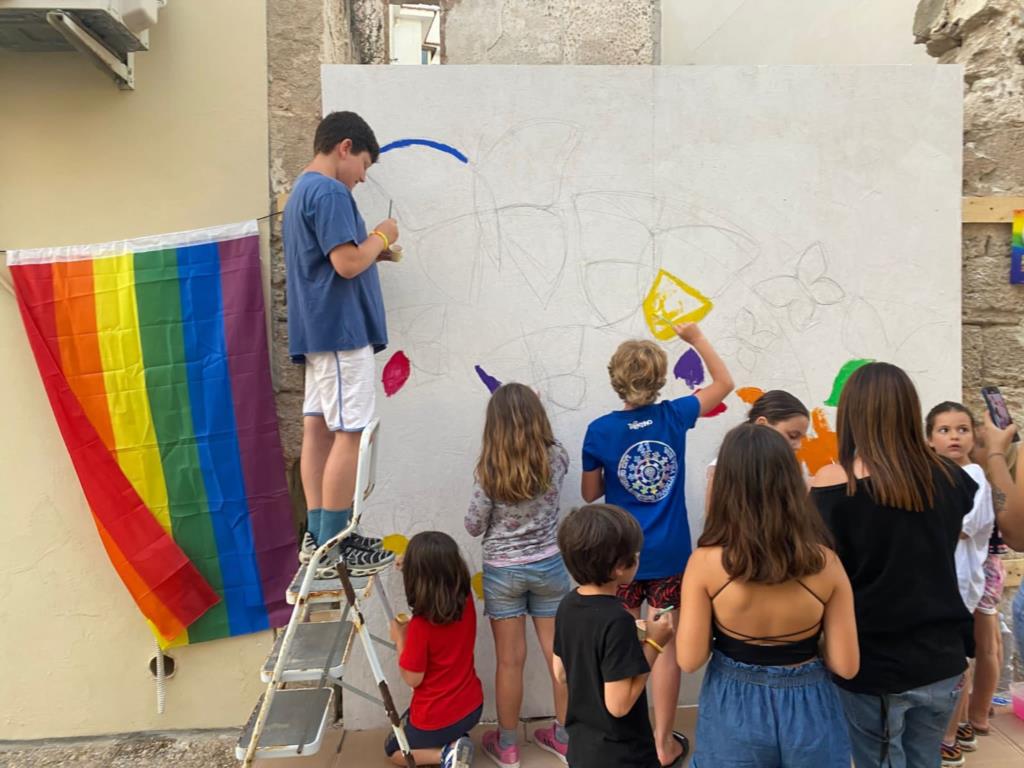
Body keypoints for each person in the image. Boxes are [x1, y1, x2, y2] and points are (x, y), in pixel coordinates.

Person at [581, 322, 732, 768]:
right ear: (660, 379)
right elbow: (725, 384)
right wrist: (697, 338)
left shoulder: (600, 430)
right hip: (670, 556)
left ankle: (622, 740)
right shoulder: (674, 416)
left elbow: (590, 494)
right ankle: (663, 743)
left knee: (622, 646)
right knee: (663, 647)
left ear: (616, 379)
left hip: (619, 558)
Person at [811, 363, 978, 767]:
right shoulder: (950, 478)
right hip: (942, 655)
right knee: (925, 760)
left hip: (872, 662)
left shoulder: (833, 484)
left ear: (851, 414)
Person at [678, 423, 857, 767]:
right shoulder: (826, 563)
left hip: (733, 707)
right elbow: (846, 666)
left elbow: (688, 659)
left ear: (727, 484)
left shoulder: (705, 564)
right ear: (791, 482)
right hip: (810, 706)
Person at [284, 110, 400, 576]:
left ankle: (318, 533)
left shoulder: (300, 192)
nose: (362, 179)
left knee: (318, 429)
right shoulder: (329, 191)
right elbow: (348, 264)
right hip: (340, 331)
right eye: (364, 166)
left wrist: (371, 250)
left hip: (317, 331)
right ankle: (337, 540)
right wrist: (380, 236)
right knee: (351, 431)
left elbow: (335, 259)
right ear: (345, 147)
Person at [464, 383, 572, 766]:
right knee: (560, 655)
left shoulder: (490, 470)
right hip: (549, 566)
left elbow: (474, 525)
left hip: (503, 572)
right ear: (537, 417)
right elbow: (545, 444)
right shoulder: (557, 458)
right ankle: (563, 736)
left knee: (510, 660)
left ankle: (507, 745)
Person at [553, 504, 675, 768]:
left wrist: (638, 633)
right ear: (620, 566)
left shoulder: (567, 605)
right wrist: (655, 643)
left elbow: (561, 672)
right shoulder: (617, 620)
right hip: (623, 755)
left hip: (582, 750)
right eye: (636, 554)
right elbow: (618, 705)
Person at [925, 402, 995, 765]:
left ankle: (949, 734)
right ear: (929, 439)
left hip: (959, 584)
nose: (954, 436)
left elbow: (958, 527)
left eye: (962, 429)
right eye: (944, 430)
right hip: (941, 581)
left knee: (956, 662)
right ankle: (959, 722)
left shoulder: (974, 477)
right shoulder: (935, 475)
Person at [386, 531, 482, 768]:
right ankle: (456, 740)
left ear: (416, 579)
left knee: (394, 749)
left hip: (436, 717)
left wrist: (400, 638)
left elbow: (413, 678)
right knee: (412, 723)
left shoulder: (420, 626)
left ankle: (445, 754)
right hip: (472, 708)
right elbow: (437, 573)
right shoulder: (465, 597)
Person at [705, 389, 809, 510]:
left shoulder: (791, 469)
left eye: (801, 438)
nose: (798, 445)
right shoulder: (724, 468)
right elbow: (714, 521)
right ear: (761, 424)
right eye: (792, 436)